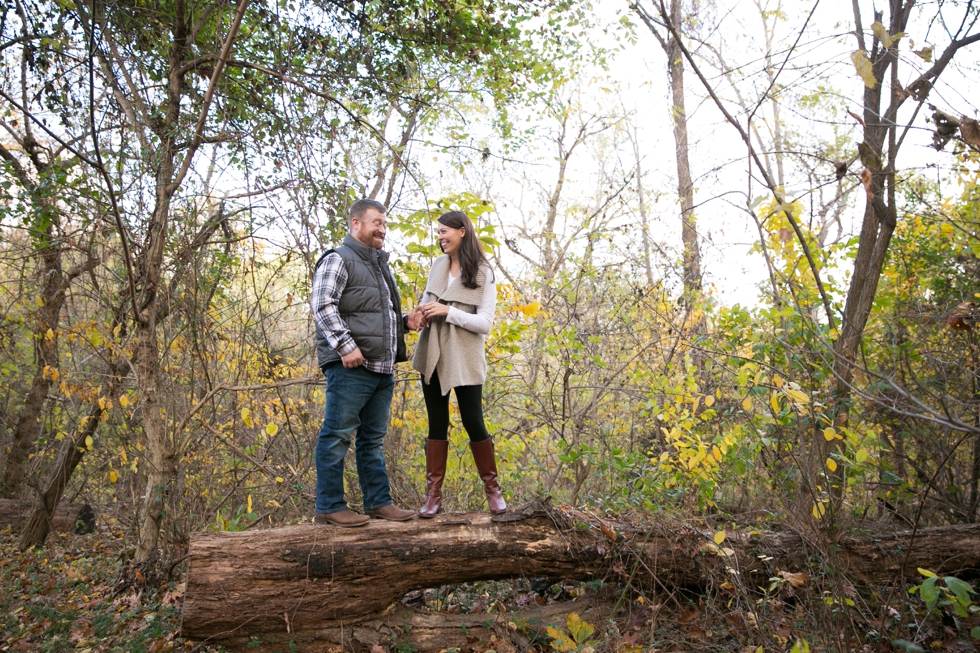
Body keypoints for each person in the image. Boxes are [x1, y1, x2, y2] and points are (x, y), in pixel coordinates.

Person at [310, 199, 421, 527]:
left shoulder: (378, 265)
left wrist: (405, 322)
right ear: (356, 223)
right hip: (351, 367)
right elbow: (322, 304)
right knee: (337, 435)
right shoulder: (338, 259)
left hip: (382, 368)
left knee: (372, 440)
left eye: (384, 224)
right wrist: (346, 347)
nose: (382, 229)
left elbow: (373, 315)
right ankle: (329, 506)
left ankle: (378, 502)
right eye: (376, 223)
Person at [412, 210, 507, 517]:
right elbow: (431, 302)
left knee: (473, 421)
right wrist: (423, 313)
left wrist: (447, 311)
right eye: (438, 232)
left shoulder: (483, 271)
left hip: (465, 357)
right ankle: (433, 496)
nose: (440, 237)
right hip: (434, 352)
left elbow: (485, 324)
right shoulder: (438, 266)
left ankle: (493, 489)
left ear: (462, 231)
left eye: (444, 232)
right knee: (436, 424)